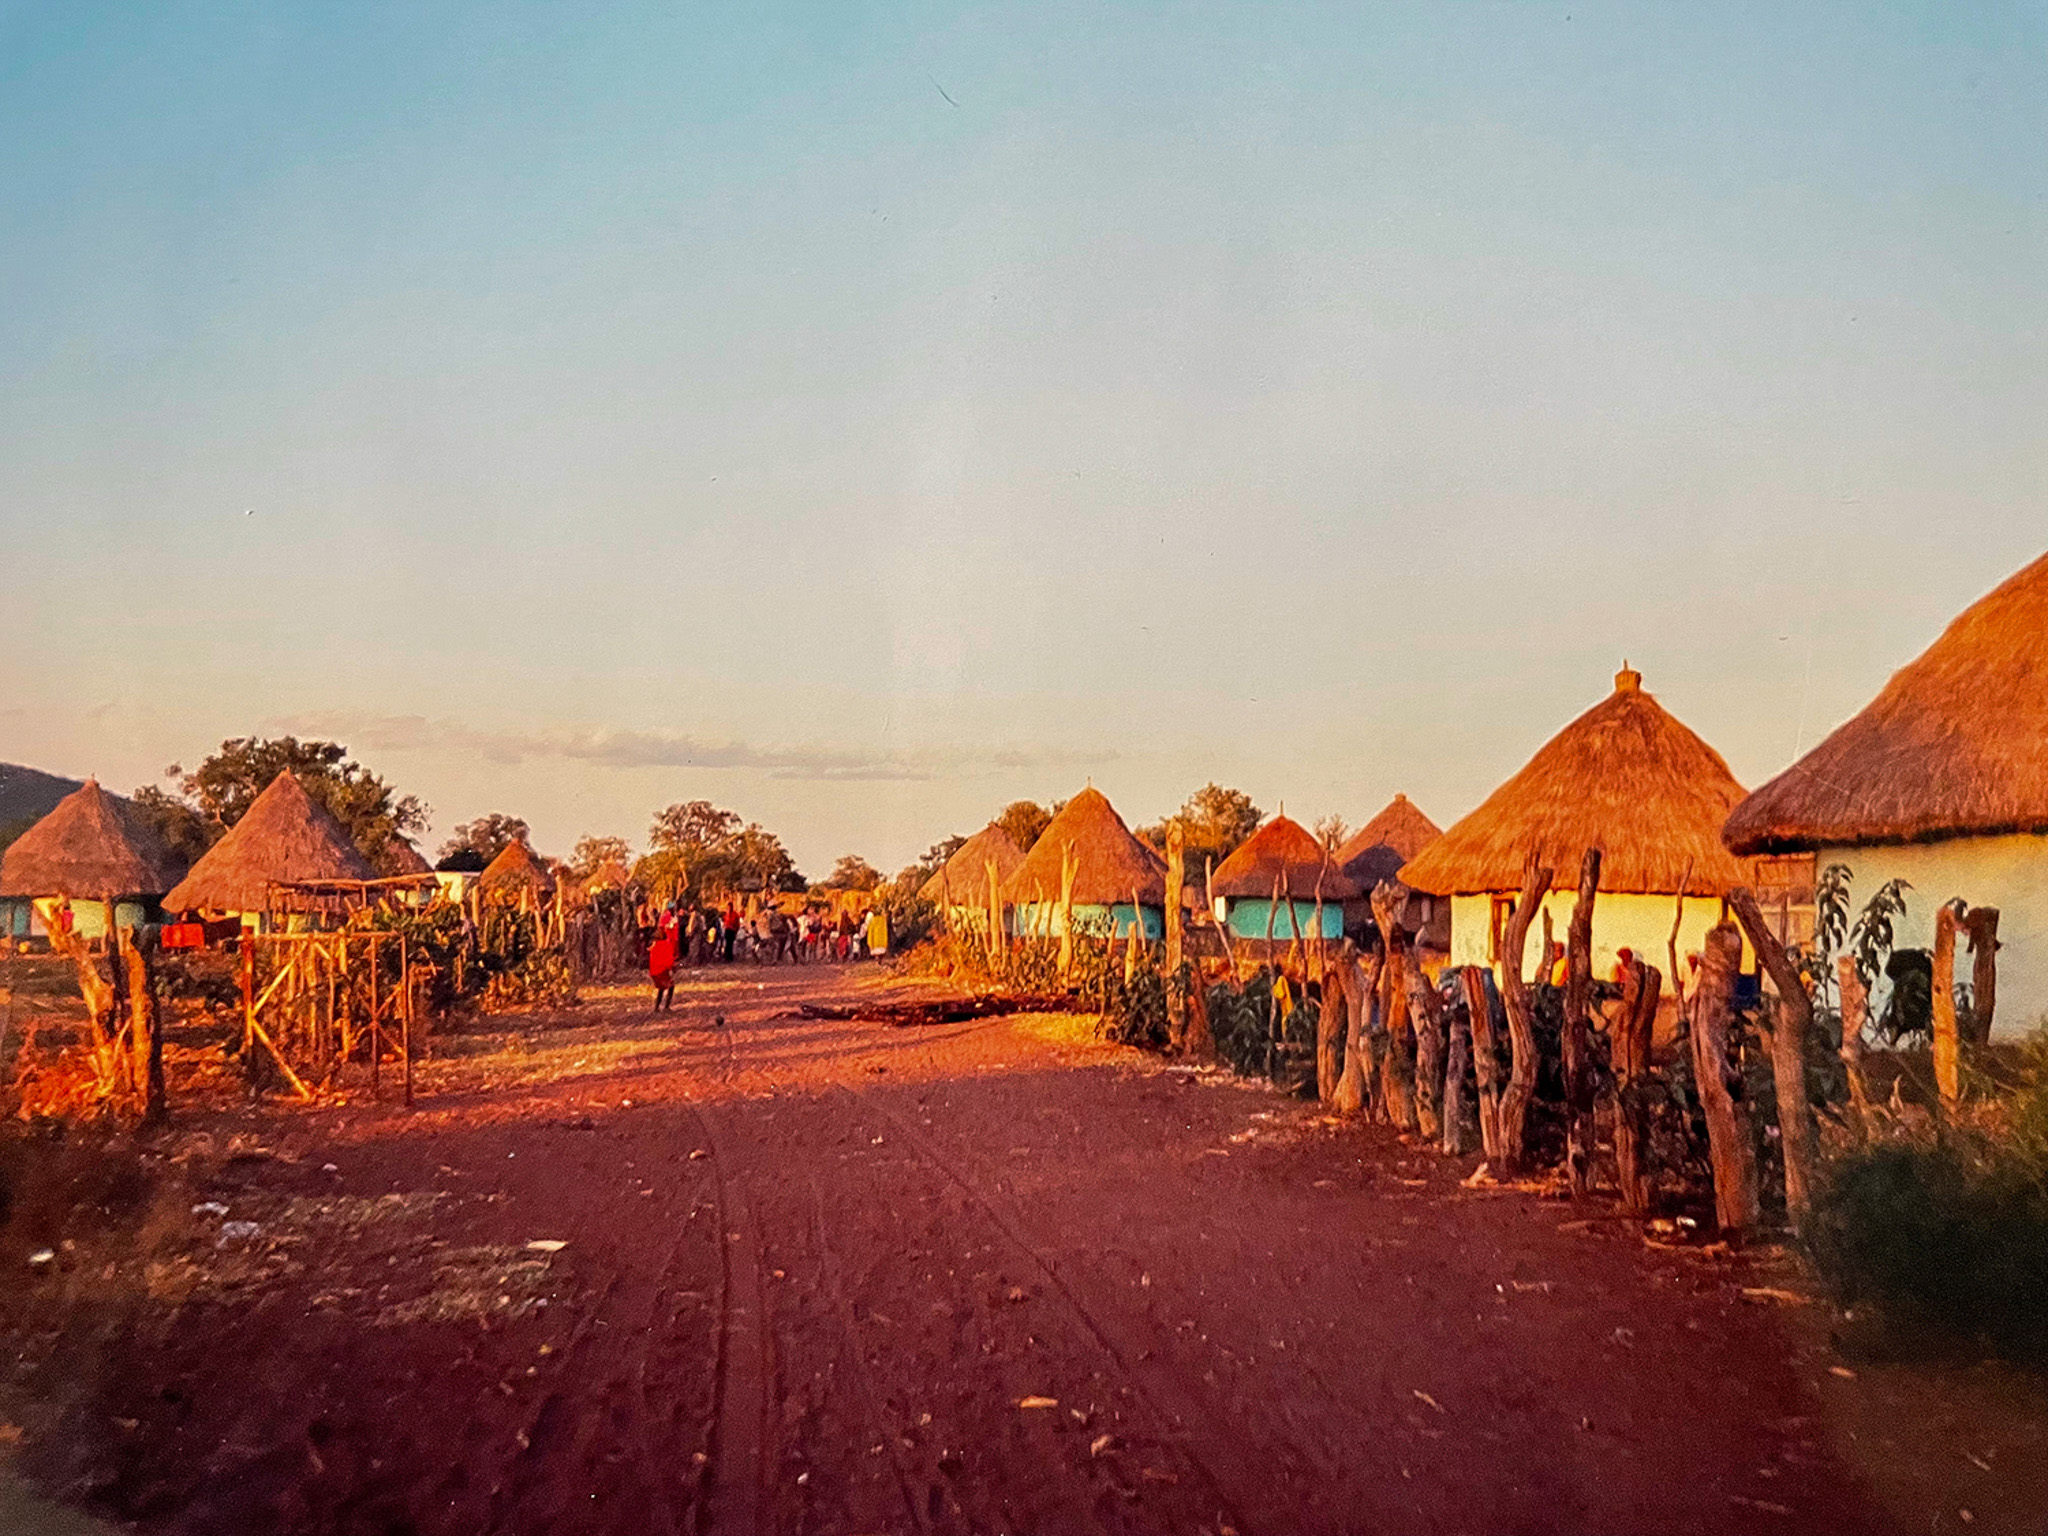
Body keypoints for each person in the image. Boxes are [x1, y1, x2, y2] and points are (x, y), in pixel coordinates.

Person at [648, 906, 679, 1012]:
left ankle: (656, 1008)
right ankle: (666, 1006)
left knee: (661, 988)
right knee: (670, 986)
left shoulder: (654, 947)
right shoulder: (665, 945)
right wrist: (674, 967)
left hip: (654, 972)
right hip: (662, 971)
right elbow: (669, 961)